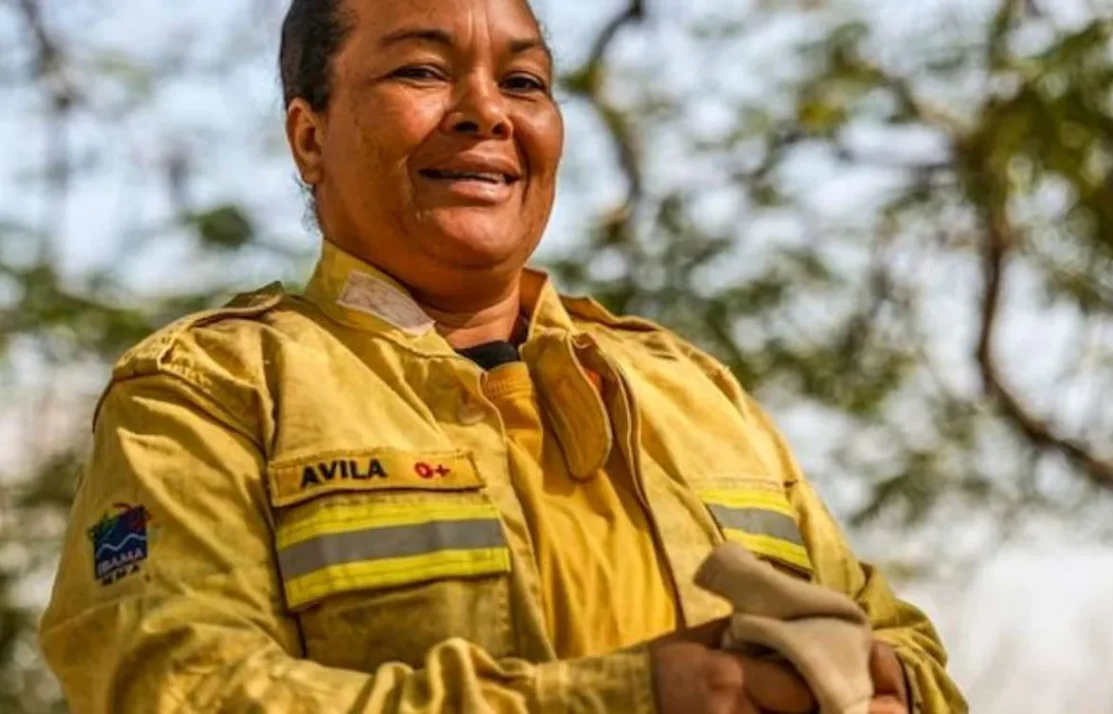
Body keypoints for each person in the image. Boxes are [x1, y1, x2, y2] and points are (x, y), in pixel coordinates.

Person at [39, 0, 966, 712]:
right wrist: (624, 697)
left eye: (523, 82)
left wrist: (884, 685)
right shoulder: (211, 393)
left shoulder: (689, 387)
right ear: (309, 135)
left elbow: (904, 643)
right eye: (421, 71)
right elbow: (186, 689)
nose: (485, 112)